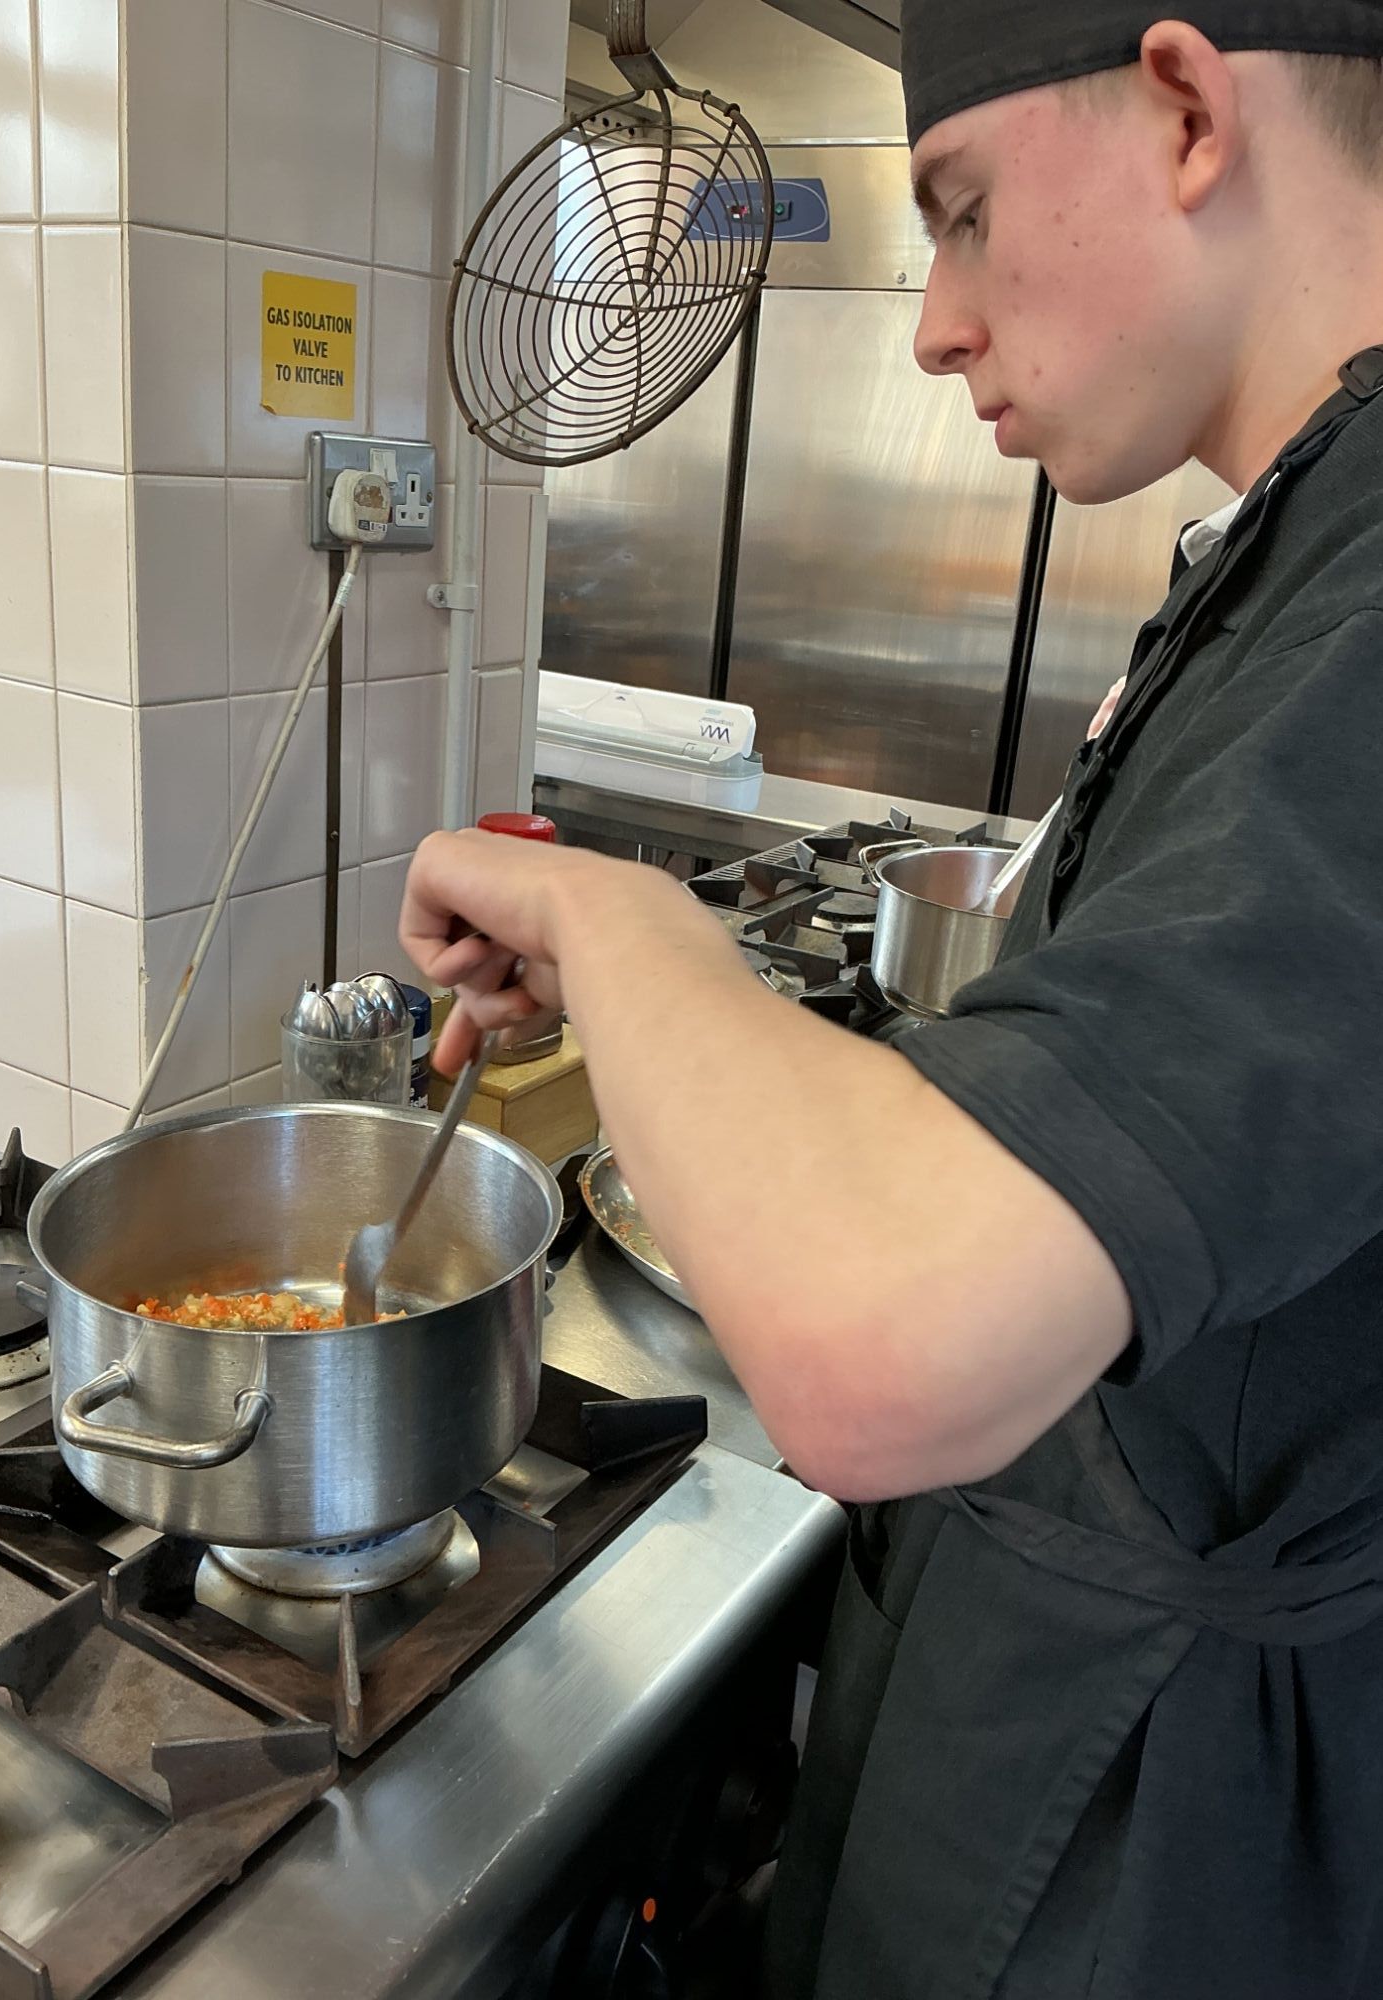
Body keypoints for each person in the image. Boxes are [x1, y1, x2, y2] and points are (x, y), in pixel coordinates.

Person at [400, 4, 1383, 1992]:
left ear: (1190, 107)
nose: (933, 323)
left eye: (957, 209)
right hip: (1041, 1715)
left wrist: (625, 924)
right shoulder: (1286, 550)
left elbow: (880, 1345)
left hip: (1164, 1851)